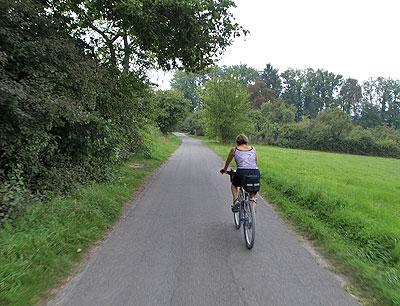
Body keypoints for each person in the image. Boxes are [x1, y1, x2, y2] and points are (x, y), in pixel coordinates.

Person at [220, 134, 260, 212]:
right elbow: (255, 162)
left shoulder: (234, 149)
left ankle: (236, 201)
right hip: (255, 172)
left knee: (234, 185)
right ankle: (252, 217)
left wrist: (224, 170)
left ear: (237, 142)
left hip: (242, 172)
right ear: (247, 142)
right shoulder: (253, 149)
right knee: (253, 193)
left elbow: (228, 161)